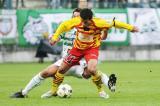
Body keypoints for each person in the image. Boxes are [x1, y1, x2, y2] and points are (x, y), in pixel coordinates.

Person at [10, 8, 116, 99]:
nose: (76, 19)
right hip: (66, 61)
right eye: (74, 16)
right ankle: (23, 93)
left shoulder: (90, 30)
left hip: (80, 62)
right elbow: (55, 37)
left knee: (92, 71)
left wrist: (105, 31)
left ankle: (109, 85)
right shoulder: (66, 29)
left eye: (78, 17)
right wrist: (52, 39)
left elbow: (101, 38)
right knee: (45, 73)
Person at [49, 8, 139, 99]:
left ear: (90, 18)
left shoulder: (99, 22)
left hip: (91, 49)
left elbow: (115, 23)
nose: (83, 23)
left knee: (91, 69)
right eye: (82, 21)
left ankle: (101, 91)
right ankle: (53, 91)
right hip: (77, 49)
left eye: (85, 21)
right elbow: (63, 25)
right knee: (61, 69)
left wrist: (131, 28)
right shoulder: (76, 20)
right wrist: (55, 37)